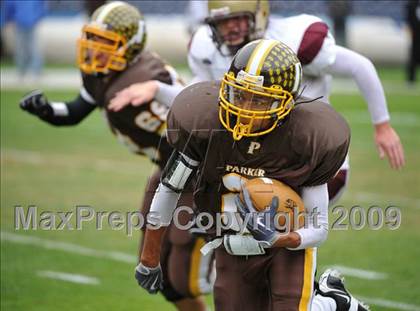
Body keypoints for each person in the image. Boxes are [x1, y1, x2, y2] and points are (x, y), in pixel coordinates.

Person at [135, 38, 368, 311]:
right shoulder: (202, 121)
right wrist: (149, 258)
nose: (245, 107)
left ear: (286, 104)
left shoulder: (309, 138)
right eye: (240, 94)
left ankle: (330, 303)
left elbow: (319, 228)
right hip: (230, 243)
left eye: (259, 100)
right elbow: (168, 190)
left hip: (287, 248)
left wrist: (279, 238)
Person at [111, 0, 405, 205]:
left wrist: (383, 125)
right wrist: (158, 89)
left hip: (310, 162)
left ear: (260, 14)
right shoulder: (205, 46)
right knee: (246, 250)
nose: (232, 28)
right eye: (224, 22)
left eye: (239, 19)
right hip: (257, 162)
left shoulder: (296, 39)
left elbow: (360, 66)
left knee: (277, 247)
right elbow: (202, 100)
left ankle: (324, 296)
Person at [18, 2, 212, 311]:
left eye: (106, 44)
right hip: (166, 170)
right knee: (161, 278)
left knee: (182, 274)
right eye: (93, 40)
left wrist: (158, 90)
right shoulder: (103, 74)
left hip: (197, 172)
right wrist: (48, 110)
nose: (96, 50)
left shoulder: (147, 76)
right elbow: (76, 110)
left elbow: (200, 123)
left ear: (130, 47)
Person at [1, 0, 46, 83]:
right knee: (23, 49)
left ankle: (34, 71)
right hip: (21, 22)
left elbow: (41, 7)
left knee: (31, 48)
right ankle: (23, 71)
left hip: (30, 22)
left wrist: (38, 17)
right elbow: (9, 7)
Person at [406, 0, 420, 85]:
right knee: (413, 57)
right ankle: (411, 79)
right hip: (415, 36)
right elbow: (409, 20)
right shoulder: (412, 4)